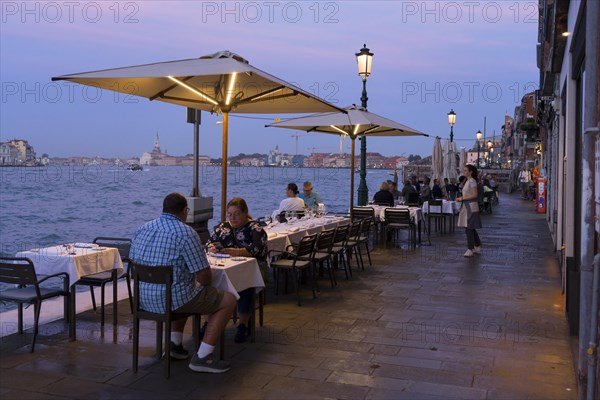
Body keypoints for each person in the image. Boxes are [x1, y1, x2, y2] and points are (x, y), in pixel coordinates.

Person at [129, 192, 236, 373]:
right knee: (228, 300)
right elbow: (203, 276)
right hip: (171, 300)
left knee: (184, 288)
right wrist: (204, 285)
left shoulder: (142, 229)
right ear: (185, 211)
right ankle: (202, 356)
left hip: (141, 299)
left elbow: (133, 263)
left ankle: (174, 344)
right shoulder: (186, 233)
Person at [206, 198, 268, 343]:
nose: (232, 218)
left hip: (254, 268)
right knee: (210, 283)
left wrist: (228, 251)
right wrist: (211, 247)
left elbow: (254, 251)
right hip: (226, 267)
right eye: (230, 214)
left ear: (245, 213)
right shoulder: (222, 227)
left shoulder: (255, 229)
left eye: (237, 214)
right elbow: (208, 243)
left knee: (244, 284)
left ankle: (243, 325)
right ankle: (208, 323)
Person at [456, 165, 482, 257]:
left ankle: (470, 248)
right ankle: (477, 245)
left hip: (470, 206)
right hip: (467, 206)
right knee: (470, 227)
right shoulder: (467, 181)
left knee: (469, 228)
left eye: (466, 170)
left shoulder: (472, 181)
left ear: (471, 172)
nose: (464, 172)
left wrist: (462, 198)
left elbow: (475, 195)